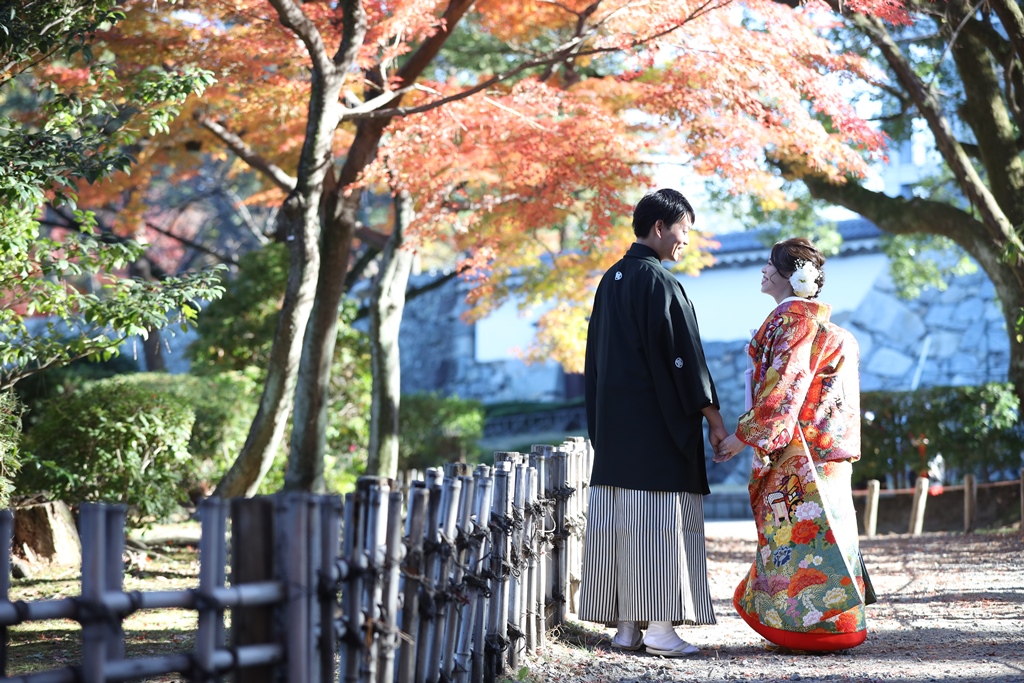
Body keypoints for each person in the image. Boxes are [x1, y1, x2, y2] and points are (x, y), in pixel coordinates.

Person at [578, 188, 729, 657]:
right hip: (656, 433)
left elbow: (594, 366)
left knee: (620, 527)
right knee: (659, 526)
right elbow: (684, 357)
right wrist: (714, 418)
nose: (685, 240)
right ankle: (661, 629)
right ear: (660, 228)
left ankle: (626, 629)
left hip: (615, 434)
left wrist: (599, 429)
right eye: (683, 230)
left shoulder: (611, 280)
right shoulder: (660, 282)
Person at [715, 237, 874, 652]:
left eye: (771, 264)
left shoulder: (794, 321)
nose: (764, 270)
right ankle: (839, 625)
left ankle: (805, 629)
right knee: (829, 533)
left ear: (793, 276)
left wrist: (743, 436)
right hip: (827, 450)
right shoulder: (824, 326)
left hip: (798, 452)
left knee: (797, 535)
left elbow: (785, 386)